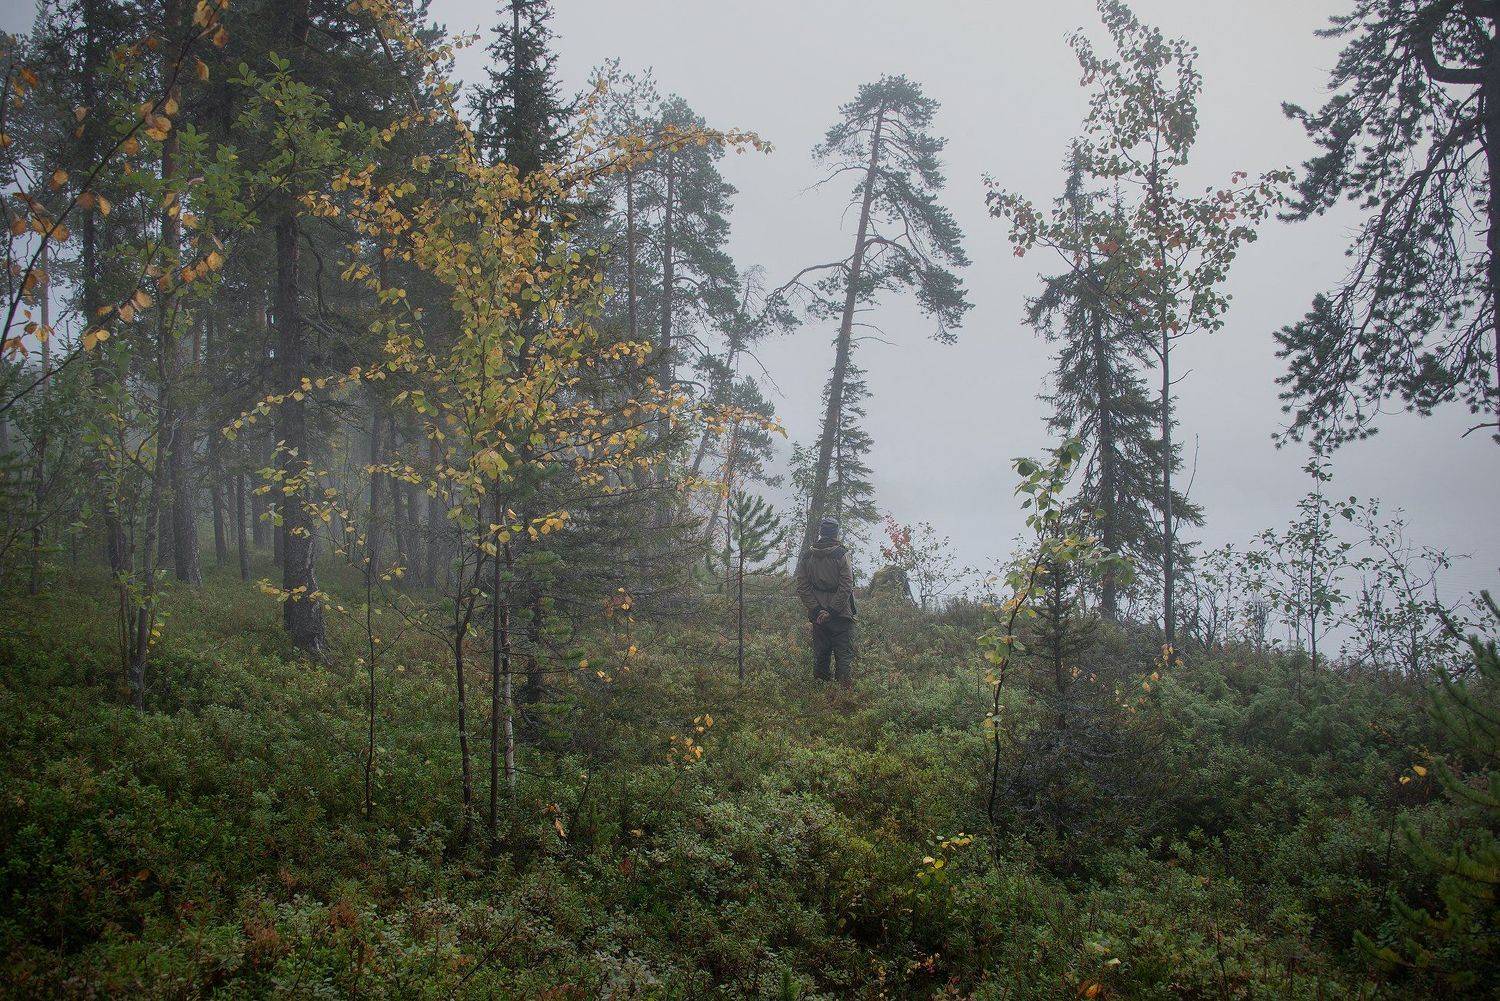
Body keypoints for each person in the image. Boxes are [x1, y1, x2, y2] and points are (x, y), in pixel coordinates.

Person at [794, 518, 857, 684]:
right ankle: (842, 697)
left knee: (821, 655)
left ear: (821, 533)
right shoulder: (842, 554)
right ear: (836, 533)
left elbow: (802, 586)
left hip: (818, 616)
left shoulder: (807, 556)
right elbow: (846, 586)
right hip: (841, 614)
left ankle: (820, 694)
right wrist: (832, 611)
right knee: (844, 657)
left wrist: (817, 610)